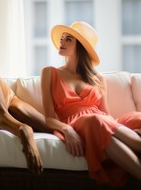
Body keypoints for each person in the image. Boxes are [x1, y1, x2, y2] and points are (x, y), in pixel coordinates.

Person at [40, 21, 141, 186]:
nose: (62, 42)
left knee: (136, 117)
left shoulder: (98, 78)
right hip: (76, 124)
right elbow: (49, 118)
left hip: (103, 123)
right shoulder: (49, 73)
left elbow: (106, 115)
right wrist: (67, 129)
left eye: (68, 39)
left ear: (81, 47)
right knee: (95, 120)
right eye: (62, 38)